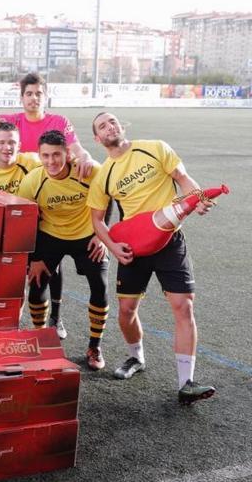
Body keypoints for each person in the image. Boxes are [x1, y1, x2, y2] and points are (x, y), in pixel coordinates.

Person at [87, 112, 216, 404]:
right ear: (97, 139)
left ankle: (187, 383)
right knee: (126, 311)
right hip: (134, 248)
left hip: (171, 242)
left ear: (121, 126)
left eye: (112, 122)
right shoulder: (104, 175)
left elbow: (183, 179)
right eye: (102, 126)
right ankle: (136, 358)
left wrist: (197, 200)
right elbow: (97, 220)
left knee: (183, 307)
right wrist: (112, 246)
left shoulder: (155, 147)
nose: (109, 127)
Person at [17, 130, 109, 371]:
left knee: (100, 284)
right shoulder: (32, 182)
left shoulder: (89, 172)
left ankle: (94, 346)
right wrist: (35, 259)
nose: (51, 161)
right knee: (36, 284)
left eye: (56, 155)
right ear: (39, 156)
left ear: (68, 154)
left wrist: (102, 235)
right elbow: (26, 222)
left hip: (86, 237)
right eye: (45, 156)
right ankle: (40, 340)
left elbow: (106, 200)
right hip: (50, 236)